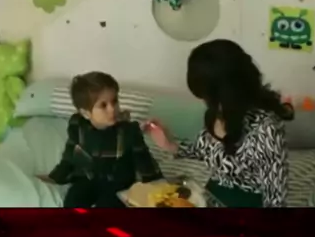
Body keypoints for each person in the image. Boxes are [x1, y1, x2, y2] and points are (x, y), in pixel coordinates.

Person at [144, 40, 294, 208]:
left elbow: (276, 199)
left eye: (205, 95)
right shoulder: (216, 112)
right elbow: (206, 151)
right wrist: (170, 145)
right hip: (211, 196)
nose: (204, 101)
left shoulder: (266, 129)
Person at [41, 72, 161, 208]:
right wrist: (55, 177)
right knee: (72, 202)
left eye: (114, 101)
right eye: (103, 105)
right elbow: (70, 156)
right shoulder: (78, 125)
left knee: (107, 206)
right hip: (88, 178)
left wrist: (157, 184)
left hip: (119, 183)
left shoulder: (128, 130)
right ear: (86, 113)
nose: (112, 109)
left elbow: (144, 159)